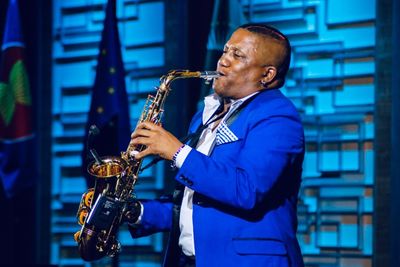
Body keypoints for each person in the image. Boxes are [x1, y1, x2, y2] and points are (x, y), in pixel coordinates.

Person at [125, 23, 305, 267]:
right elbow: (195, 205)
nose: (223, 61)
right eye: (225, 51)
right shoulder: (203, 116)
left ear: (267, 75)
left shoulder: (277, 116)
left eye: (237, 55)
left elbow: (247, 190)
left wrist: (177, 152)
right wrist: (134, 211)